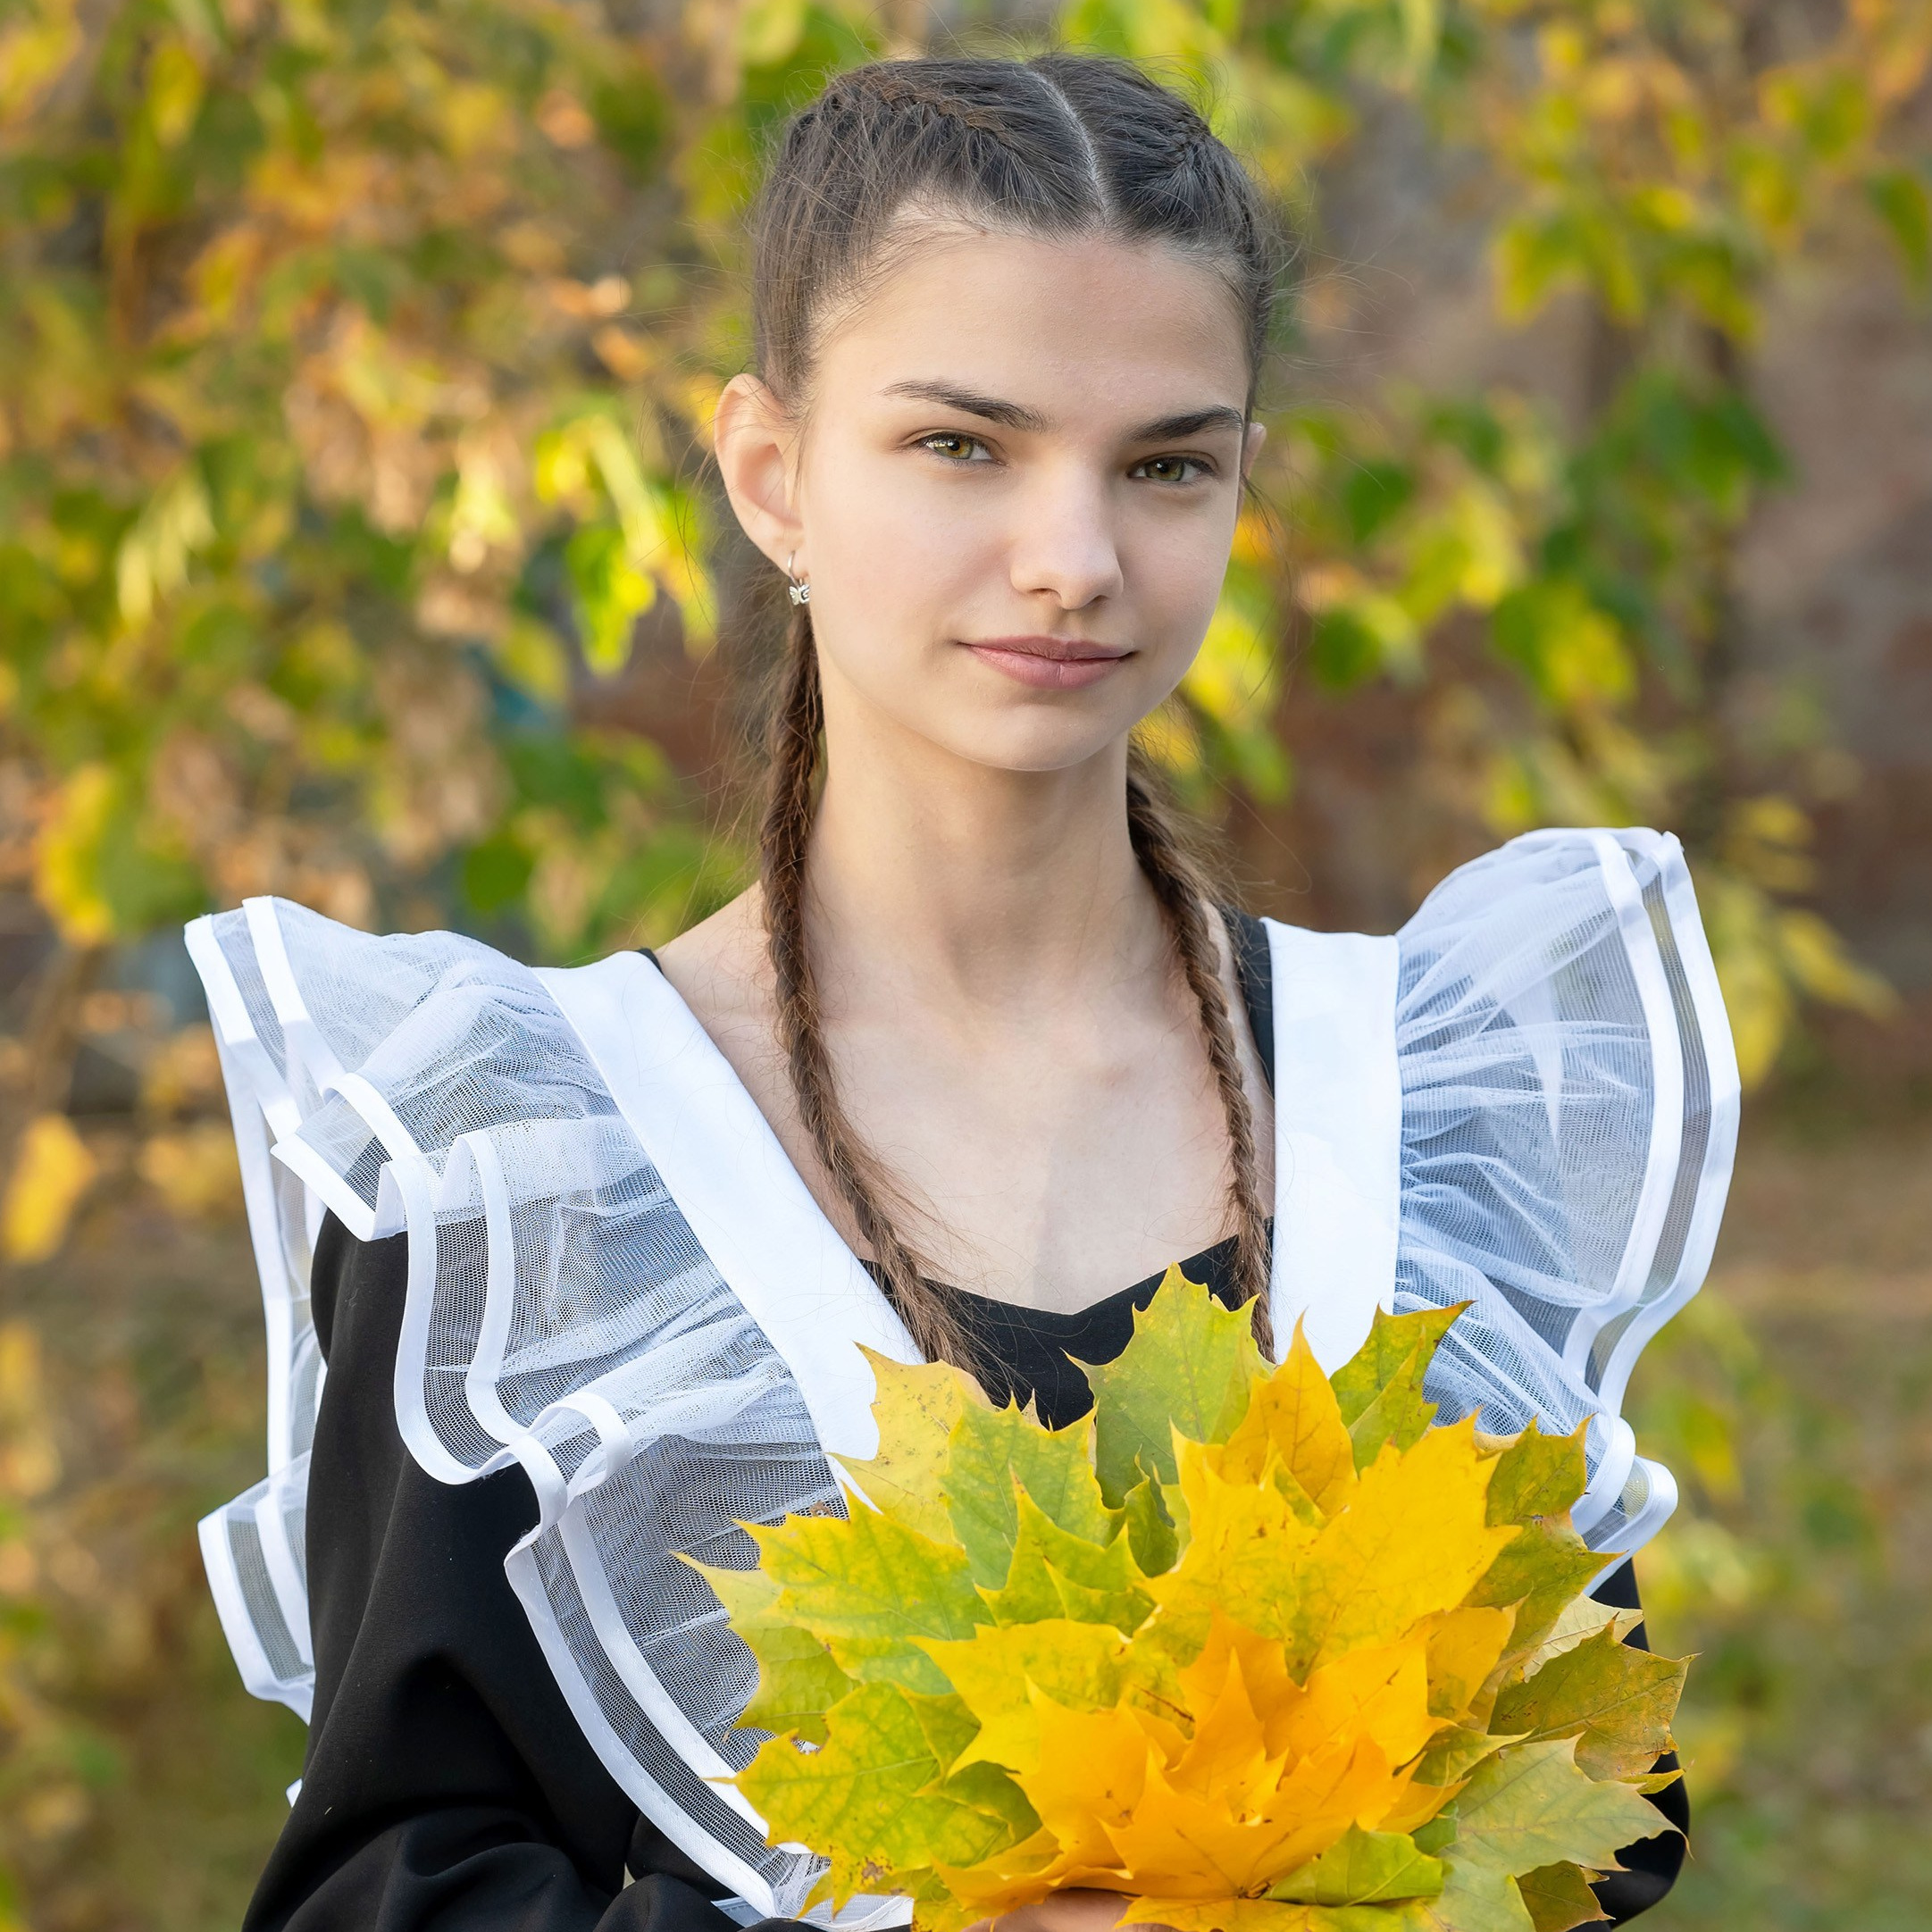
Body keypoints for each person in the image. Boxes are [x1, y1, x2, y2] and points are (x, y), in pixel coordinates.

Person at [186, 53, 1737, 1932]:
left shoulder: (1418, 1111)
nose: (1072, 561)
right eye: (960, 446)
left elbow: (1583, 1819)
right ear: (771, 474)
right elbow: (387, 1885)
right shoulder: (529, 1174)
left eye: (1165, 464)